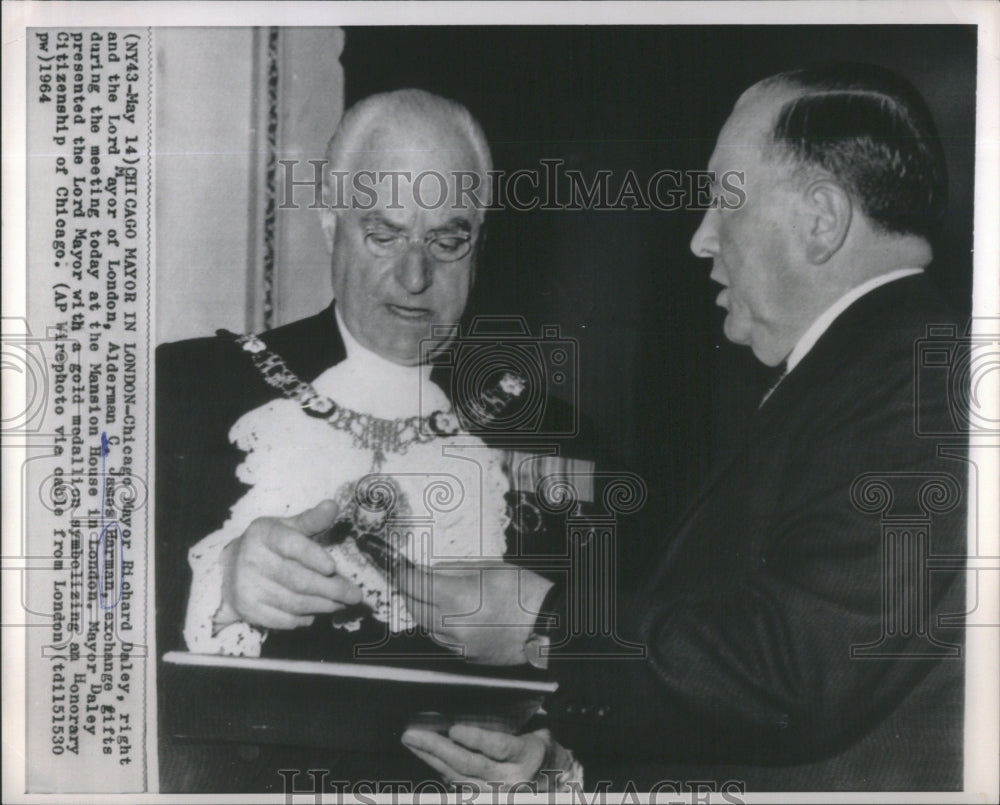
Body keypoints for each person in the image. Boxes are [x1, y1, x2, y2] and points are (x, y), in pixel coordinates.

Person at [398, 62, 967, 792]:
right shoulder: (859, 371)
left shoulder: (922, 379)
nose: (701, 240)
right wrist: (569, 756)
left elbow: (795, 671)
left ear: (822, 220)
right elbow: (744, 672)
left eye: (723, 203)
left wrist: (544, 620)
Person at [155, 88, 593, 791]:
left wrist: (552, 752)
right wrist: (222, 586)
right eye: (383, 234)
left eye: (447, 241)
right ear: (330, 224)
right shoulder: (183, 390)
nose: (415, 277)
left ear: (480, 238)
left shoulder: (555, 435)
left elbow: (607, 674)